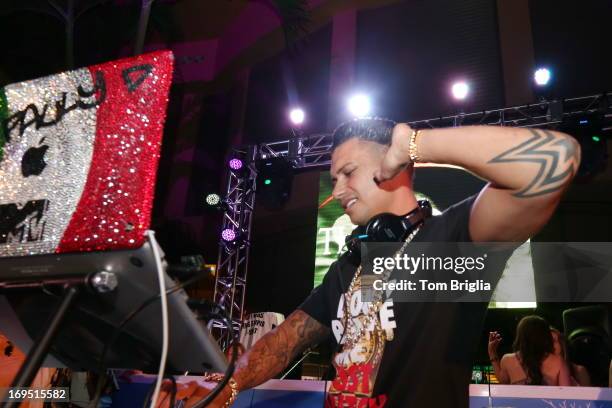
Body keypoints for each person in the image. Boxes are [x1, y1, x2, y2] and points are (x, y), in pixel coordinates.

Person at [159, 118, 581, 407]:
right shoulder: (349, 266)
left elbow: (557, 161)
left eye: (347, 173)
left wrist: (415, 145)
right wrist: (224, 388)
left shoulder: (454, 241)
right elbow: (285, 339)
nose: (336, 191)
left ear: (391, 166)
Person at [488, 316, 571, 386]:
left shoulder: (507, 360)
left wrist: (492, 353)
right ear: (545, 336)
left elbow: (503, 383)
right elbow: (567, 398)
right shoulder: (558, 361)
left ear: (520, 336)